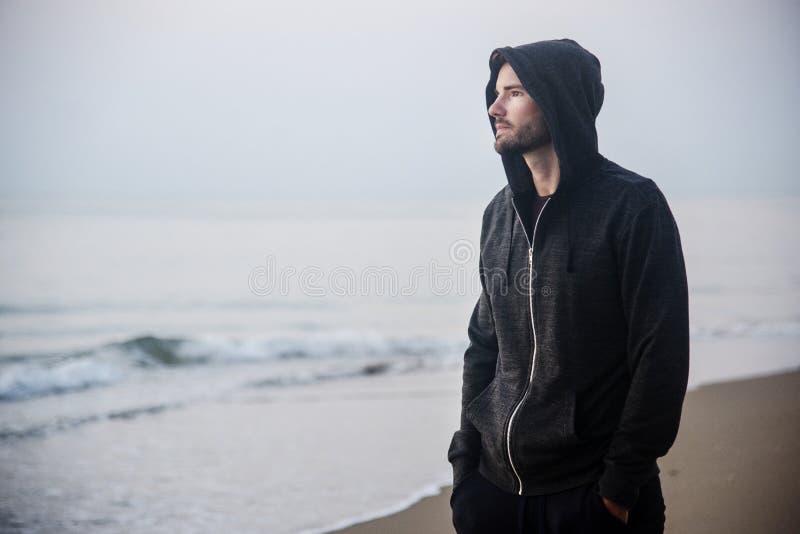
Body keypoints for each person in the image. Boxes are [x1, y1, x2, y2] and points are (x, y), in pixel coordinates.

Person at [447, 38, 690, 534]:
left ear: (557, 99)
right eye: (496, 93)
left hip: (590, 496)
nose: (495, 108)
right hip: (494, 493)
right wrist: (465, 464)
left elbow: (660, 355)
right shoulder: (499, 215)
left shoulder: (632, 206)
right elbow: (484, 346)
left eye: (513, 93)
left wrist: (619, 488)